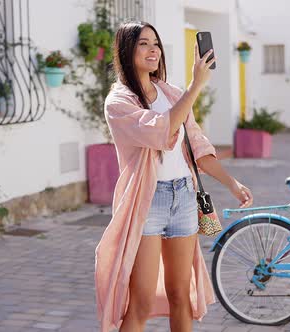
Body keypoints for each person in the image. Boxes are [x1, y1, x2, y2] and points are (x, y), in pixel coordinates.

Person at [94, 21, 254, 332]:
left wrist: (231, 183)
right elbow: (162, 131)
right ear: (126, 51)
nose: (153, 49)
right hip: (147, 201)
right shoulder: (119, 102)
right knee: (139, 302)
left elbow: (196, 145)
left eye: (155, 43)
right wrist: (196, 86)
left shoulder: (171, 93)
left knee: (181, 295)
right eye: (143, 43)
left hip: (183, 197)